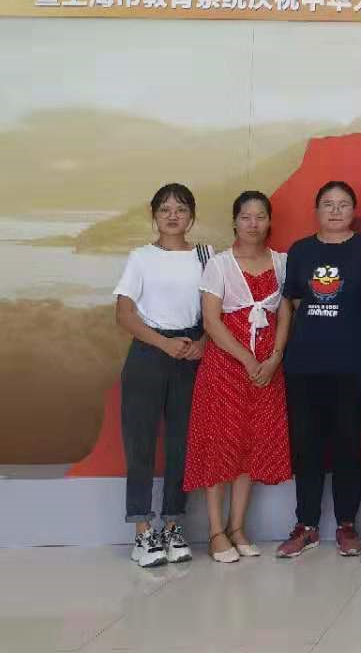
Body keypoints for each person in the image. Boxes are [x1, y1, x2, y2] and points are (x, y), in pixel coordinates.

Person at [183, 191, 291, 563]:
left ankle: (237, 527)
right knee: (220, 444)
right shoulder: (219, 264)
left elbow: (285, 314)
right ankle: (216, 532)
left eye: (260, 216)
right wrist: (247, 359)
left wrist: (274, 358)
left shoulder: (282, 263)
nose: (253, 223)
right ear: (235, 222)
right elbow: (211, 321)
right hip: (225, 368)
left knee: (251, 446)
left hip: (266, 371)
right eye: (246, 217)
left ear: (269, 221)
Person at [275, 181, 361, 559]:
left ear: (354, 210)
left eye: (343, 204)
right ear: (317, 211)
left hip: (352, 363)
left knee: (349, 443)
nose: (335, 211)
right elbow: (293, 301)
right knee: (306, 445)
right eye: (328, 204)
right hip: (305, 364)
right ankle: (307, 525)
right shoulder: (301, 250)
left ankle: (347, 525)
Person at [114, 183, 209, 567]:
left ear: (192, 216)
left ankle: (172, 525)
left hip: (190, 353)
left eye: (181, 209)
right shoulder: (140, 257)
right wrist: (163, 344)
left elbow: (216, 310)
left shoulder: (205, 256)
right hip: (148, 353)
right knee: (140, 444)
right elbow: (124, 314)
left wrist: (202, 342)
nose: (173, 215)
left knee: (181, 445)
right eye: (165, 209)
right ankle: (142, 531)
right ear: (154, 215)